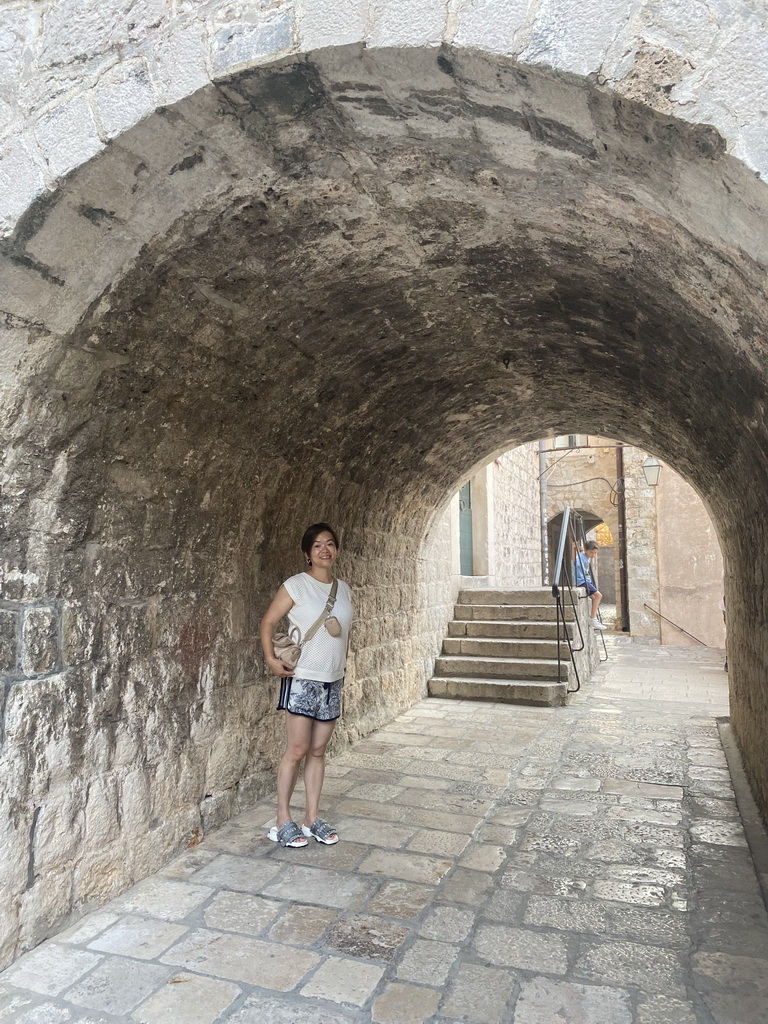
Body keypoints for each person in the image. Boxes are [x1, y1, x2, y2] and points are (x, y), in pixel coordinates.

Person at [259, 523, 353, 848]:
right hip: (302, 679)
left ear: (336, 549)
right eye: (316, 546)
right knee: (297, 750)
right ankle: (282, 819)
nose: (324, 550)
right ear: (307, 553)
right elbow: (269, 621)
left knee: (317, 751)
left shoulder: (344, 589)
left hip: (332, 681)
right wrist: (271, 659)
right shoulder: (296, 586)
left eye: (330, 544)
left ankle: (311, 818)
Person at [574, 540, 607, 630]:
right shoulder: (580, 558)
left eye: (595, 553)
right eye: (591, 552)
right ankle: (593, 618)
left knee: (594, 598)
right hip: (582, 581)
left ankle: (594, 615)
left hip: (587, 581)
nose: (593, 555)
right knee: (598, 596)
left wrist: (581, 549)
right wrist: (576, 549)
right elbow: (574, 560)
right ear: (586, 550)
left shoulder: (586, 556)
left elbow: (582, 551)